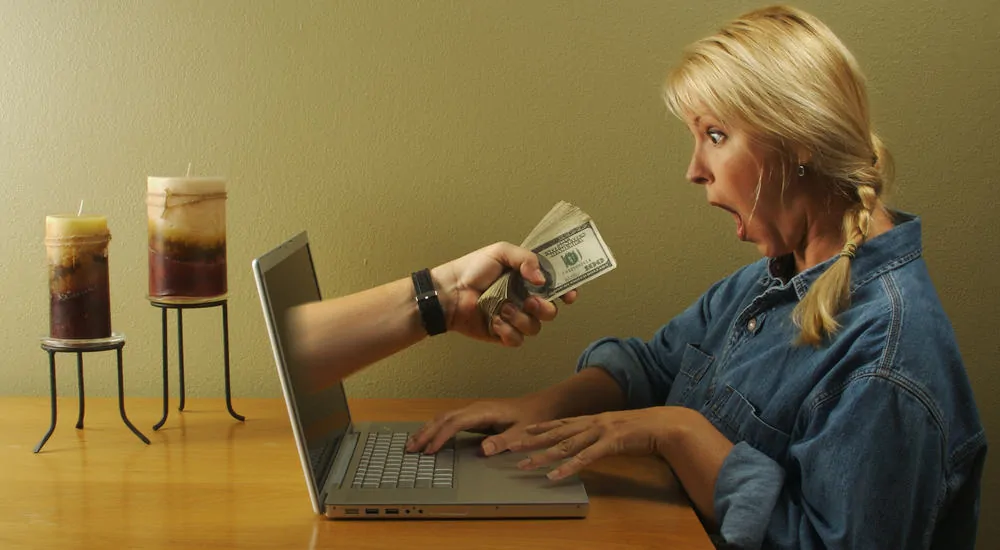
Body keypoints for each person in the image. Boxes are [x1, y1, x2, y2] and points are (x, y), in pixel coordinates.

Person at [293, 5, 986, 549]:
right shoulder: (773, 280)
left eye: (714, 135)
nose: (693, 169)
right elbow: (652, 364)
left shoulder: (888, 362)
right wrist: (550, 404)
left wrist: (679, 433)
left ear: (798, 140)